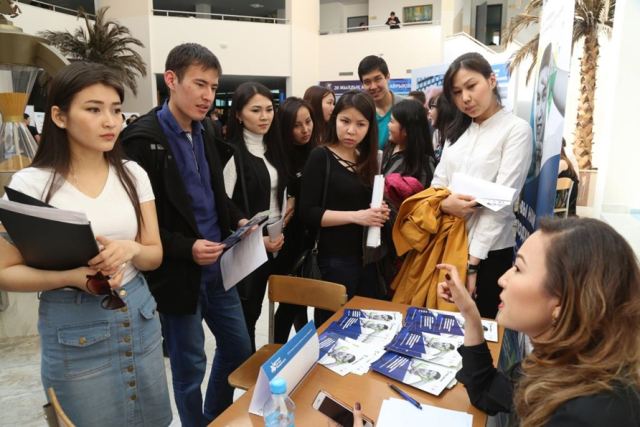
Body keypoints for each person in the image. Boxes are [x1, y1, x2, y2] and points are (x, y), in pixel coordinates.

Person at [0, 62, 171, 426]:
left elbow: (154, 254)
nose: (110, 121)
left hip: (137, 310)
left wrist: (131, 250)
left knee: (152, 419)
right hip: (73, 322)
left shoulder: (132, 174)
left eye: (116, 110)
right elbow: (5, 271)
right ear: (59, 116)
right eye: (94, 109)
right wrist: (73, 276)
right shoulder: (31, 184)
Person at [121, 43, 252, 425]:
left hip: (220, 269)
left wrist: (239, 220)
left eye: (213, 86)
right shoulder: (140, 141)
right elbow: (135, 224)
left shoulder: (205, 130)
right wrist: (186, 248)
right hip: (179, 274)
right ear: (171, 80)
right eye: (199, 84)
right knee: (189, 367)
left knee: (239, 349)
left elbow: (214, 195)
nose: (208, 95)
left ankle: (214, 415)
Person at [437, 218, 640, 426]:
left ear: (562, 301)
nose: (502, 280)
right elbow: (486, 391)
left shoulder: (589, 416)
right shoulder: (560, 361)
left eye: (518, 269)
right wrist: (470, 313)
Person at [433, 52, 532, 318]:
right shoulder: (456, 131)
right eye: (457, 92)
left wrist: (472, 264)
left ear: (491, 80)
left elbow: (501, 203)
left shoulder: (516, 130)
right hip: (449, 243)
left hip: (489, 254)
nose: (465, 98)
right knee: (445, 325)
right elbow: (438, 184)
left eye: (471, 86)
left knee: (482, 328)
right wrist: (445, 203)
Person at [299, 90, 390, 326]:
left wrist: (379, 211)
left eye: (360, 124)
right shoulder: (321, 156)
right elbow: (307, 213)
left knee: (364, 328)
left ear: (370, 127)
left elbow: (365, 205)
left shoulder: (368, 159)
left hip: (367, 259)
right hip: (333, 260)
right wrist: (357, 217)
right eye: (345, 121)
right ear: (334, 119)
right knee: (332, 328)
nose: (351, 131)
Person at [223, 82, 290, 353]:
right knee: (247, 315)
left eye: (269, 109)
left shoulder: (274, 148)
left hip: (278, 239)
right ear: (239, 114)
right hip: (249, 246)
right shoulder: (232, 153)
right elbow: (223, 204)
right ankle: (246, 370)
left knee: (278, 306)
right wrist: (255, 237)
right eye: (256, 110)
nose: (265, 116)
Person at [272, 97, 317, 344]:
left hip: (311, 236)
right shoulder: (278, 157)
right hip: (288, 239)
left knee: (302, 299)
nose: (305, 130)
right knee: (291, 300)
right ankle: (278, 350)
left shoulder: (317, 151)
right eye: (297, 125)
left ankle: (303, 344)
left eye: (308, 122)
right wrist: (291, 198)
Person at [382, 100, 435, 188]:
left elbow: (425, 196)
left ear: (406, 129)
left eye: (391, 121)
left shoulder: (424, 165)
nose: (388, 125)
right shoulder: (390, 146)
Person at [358, 55, 404, 149]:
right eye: (367, 82)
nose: (373, 86)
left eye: (377, 79)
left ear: (387, 77)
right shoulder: (361, 111)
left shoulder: (405, 107)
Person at [557, 140, 579, 217]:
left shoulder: (562, 163)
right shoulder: (565, 161)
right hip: (562, 199)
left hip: (559, 201)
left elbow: (550, 178)